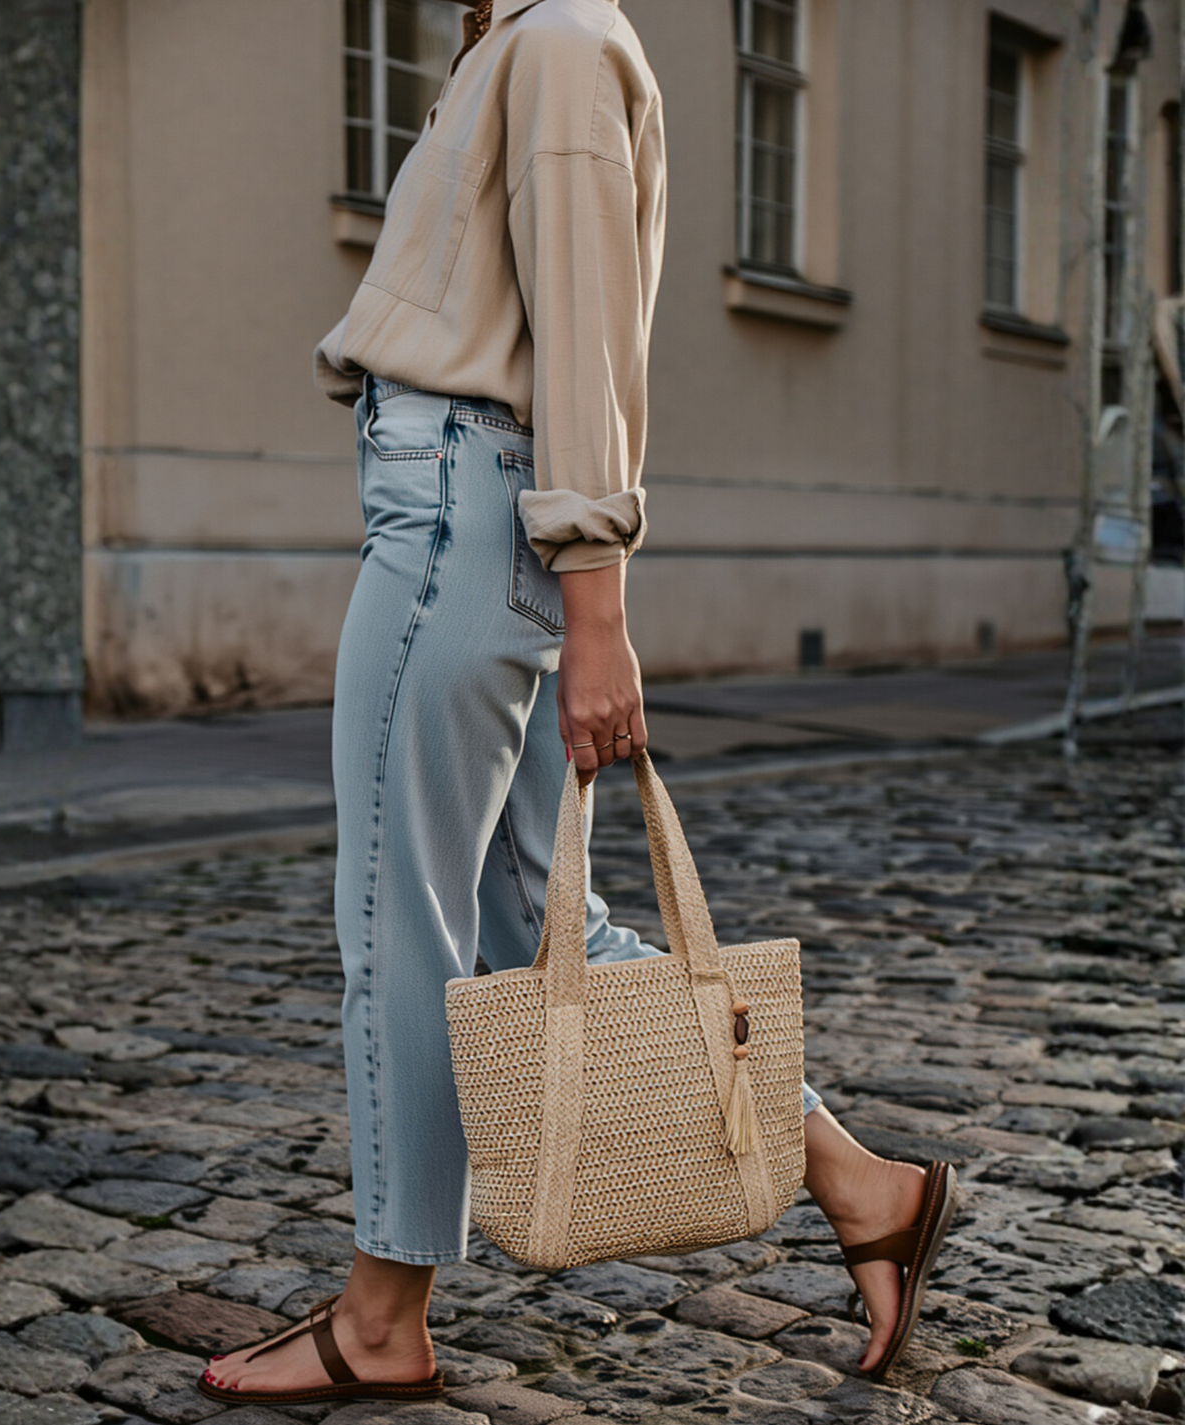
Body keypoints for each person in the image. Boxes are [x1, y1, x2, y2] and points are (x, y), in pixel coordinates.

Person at [198, 0, 956, 1404]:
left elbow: (589, 332)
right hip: (475, 520)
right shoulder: (513, 43)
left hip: (459, 526)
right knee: (511, 917)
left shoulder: (554, 39)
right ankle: (860, 1184)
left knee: (396, 921)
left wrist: (599, 601)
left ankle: (381, 1316)